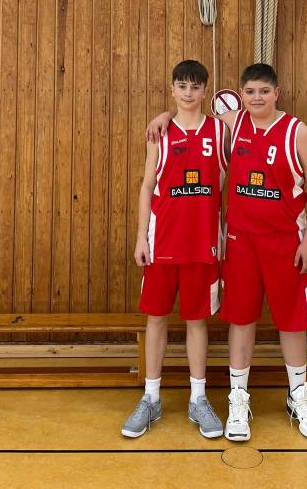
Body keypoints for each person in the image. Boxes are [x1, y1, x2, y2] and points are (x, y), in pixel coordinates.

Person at [147, 63, 307, 441]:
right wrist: (163, 115)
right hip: (240, 241)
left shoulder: (298, 132)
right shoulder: (233, 124)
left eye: (265, 91)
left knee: (291, 320)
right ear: (241, 95)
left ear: (277, 93)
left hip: (286, 241)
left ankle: (299, 394)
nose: (257, 98)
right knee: (240, 319)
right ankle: (238, 399)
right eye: (250, 92)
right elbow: (191, 113)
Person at [122, 60, 229, 439]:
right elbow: (147, 187)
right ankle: (151, 397)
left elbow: (247, 115)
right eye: (181, 86)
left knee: (197, 321)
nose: (187, 93)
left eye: (195, 87)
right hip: (162, 242)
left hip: (202, 246)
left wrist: (166, 113)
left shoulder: (219, 131)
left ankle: (198, 398)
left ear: (205, 91)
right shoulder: (159, 135)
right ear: (173, 89)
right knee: (156, 319)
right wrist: (140, 237)